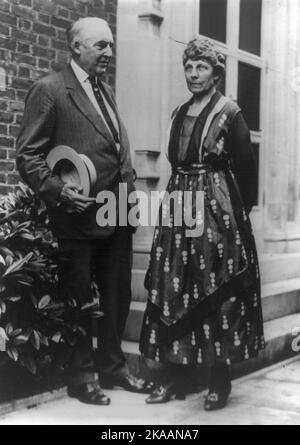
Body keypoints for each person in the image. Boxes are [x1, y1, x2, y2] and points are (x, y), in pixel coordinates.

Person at [16, 17, 152, 406]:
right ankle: (82, 376)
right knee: (79, 298)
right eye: (101, 46)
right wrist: (59, 193)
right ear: (76, 46)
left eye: (110, 45)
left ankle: (113, 367)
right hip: (76, 216)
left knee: (117, 295)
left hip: (116, 212)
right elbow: (28, 156)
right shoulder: (50, 89)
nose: (109, 52)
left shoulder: (103, 89)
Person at [139, 38, 265, 411]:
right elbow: (176, 159)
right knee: (173, 286)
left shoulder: (230, 112)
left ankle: (218, 381)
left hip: (217, 209)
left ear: (216, 73)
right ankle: (173, 378)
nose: (193, 74)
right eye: (189, 67)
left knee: (214, 286)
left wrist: (236, 219)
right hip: (179, 202)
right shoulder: (179, 111)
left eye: (202, 68)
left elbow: (245, 169)